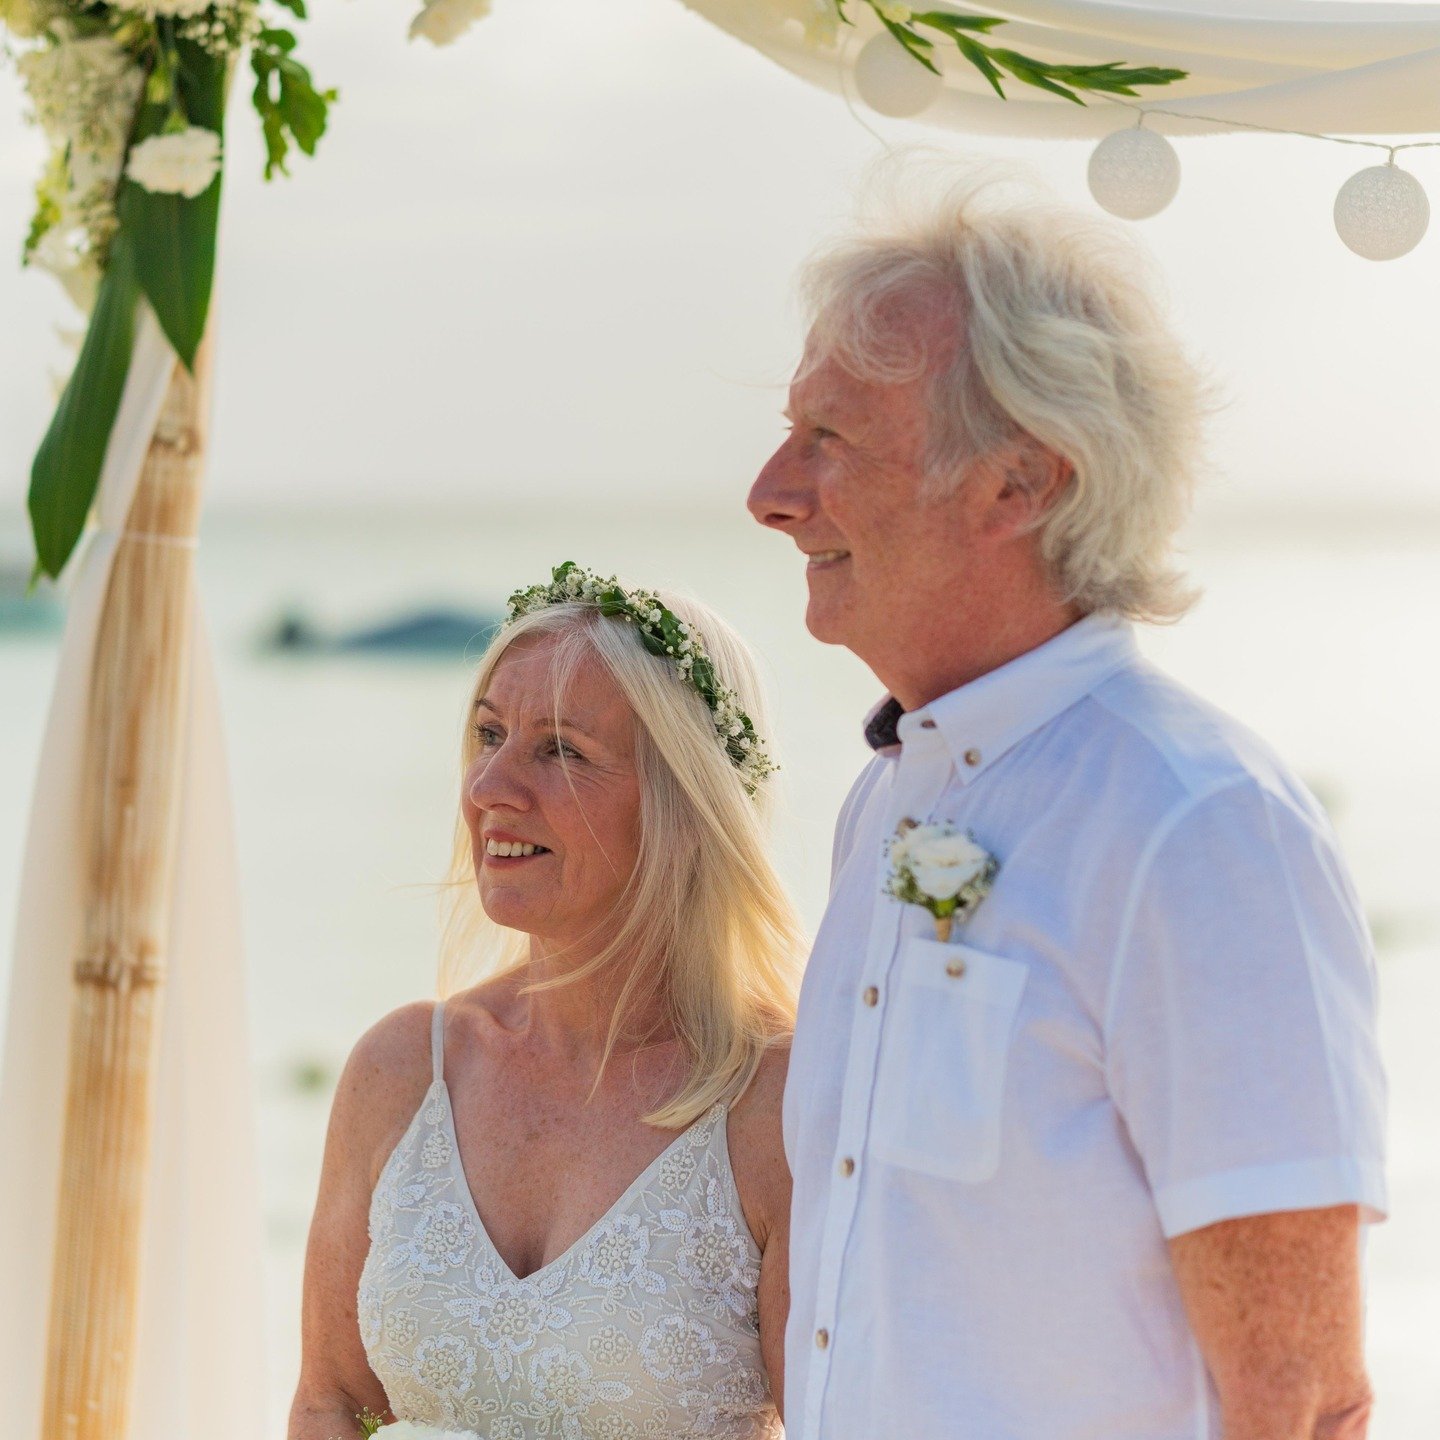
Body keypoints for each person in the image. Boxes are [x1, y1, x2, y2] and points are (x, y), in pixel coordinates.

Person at [748, 179, 1388, 1440]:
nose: (772, 491)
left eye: (832, 438)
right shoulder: (881, 804)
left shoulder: (1199, 827)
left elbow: (1306, 1401)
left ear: (1019, 483)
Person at [288, 564, 803, 1439]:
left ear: (686, 801)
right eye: (489, 734)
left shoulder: (777, 1104)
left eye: (560, 749)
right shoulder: (402, 1070)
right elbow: (331, 1400)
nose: (488, 786)